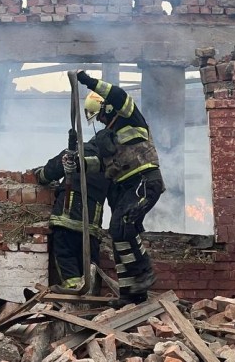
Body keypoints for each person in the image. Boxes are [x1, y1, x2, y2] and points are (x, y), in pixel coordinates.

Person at [70, 70, 166, 307]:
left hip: (144, 181)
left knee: (123, 225)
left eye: (100, 115)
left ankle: (144, 271)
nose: (101, 121)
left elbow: (118, 93)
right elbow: (97, 166)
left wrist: (87, 80)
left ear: (107, 108)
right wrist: (77, 163)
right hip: (124, 189)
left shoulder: (131, 117)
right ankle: (130, 294)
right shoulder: (106, 138)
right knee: (117, 234)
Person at [34, 129, 110, 291]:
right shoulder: (110, 165)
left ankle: (74, 297)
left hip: (66, 221)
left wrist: (39, 175)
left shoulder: (78, 151)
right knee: (90, 267)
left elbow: (50, 171)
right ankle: (90, 300)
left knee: (67, 260)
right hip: (91, 229)